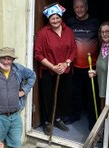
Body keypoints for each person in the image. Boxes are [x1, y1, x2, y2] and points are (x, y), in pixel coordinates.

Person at [34, 3, 77, 135]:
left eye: (57, 17)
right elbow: (38, 53)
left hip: (65, 70)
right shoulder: (43, 33)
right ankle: (48, 122)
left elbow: (74, 49)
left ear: (61, 17)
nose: (55, 20)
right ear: (48, 19)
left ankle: (58, 119)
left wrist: (66, 64)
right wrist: (53, 66)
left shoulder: (68, 31)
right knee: (48, 96)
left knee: (63, 95)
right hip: (49, 71)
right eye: (52, 18)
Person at [65, 0, 100, 130]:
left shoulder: (95, 22)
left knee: (92, 95)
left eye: (82, 7)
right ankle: (75, 115)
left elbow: (103, 38)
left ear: (87, 7)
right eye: (76, 7)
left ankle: (93, 120)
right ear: (73, 8)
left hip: (92, 67)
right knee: (75, 93)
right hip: (75, 66)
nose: (79, 9)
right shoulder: (70, 22)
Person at [88, 21, 109, 110]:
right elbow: (102, 67)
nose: (105, 34)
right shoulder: (102, 46)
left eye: (107, 31)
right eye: (102, 32)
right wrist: (95, 72)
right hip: (101, 89)